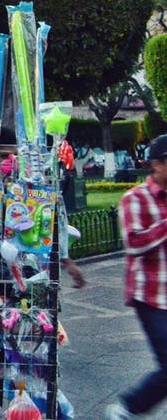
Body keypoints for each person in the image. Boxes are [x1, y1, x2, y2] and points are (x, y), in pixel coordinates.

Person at [109, 134, 167, 420]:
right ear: (156, 164)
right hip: (151, 295)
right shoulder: (135, 199)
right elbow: (134, 243)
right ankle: (129, 407)